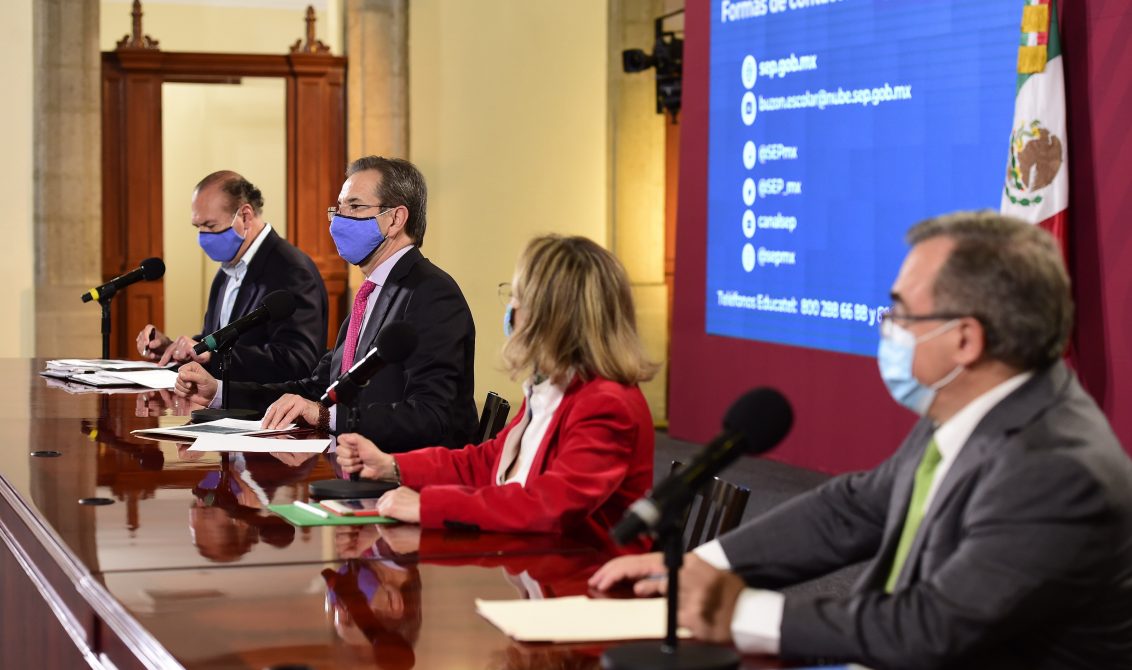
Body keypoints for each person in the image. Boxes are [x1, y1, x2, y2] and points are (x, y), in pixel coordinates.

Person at [590, 211, 1132, 669]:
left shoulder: (1056, 467)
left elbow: (931, 629)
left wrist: (740, 614)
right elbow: (854, 509)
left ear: (965, 338)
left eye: (900, 311)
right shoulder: (967, 405)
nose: (887, 325)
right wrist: (702, 565)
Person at [335, 235, 657, 538]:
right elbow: (487, 462)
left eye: (517, 297)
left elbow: (547, 507)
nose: (511, 309)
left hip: (580, 580)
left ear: (551, 317)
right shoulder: (552, 386)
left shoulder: (606, 402)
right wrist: (392, 466)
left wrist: (427, 506)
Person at [175, 157, 478, 453]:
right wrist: (219, 392)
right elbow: (316, 388)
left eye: (355, 206)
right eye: (339, 208)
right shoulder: (372, 292)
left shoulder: (432, 293)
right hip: (353, 466)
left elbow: (433, 417)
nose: (339, 220)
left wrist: (326, 415)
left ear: (396, 219)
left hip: (404, 483)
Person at [136, 171, 328, 383]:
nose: (202, 237)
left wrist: (213, 356)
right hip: (224, 406)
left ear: (245, 216)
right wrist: (173, 348)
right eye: (197, 227)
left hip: (264, 411)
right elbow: (218, 341)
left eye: (210, 226)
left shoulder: (291, 270)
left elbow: (298, 362)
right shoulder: (226, 271)